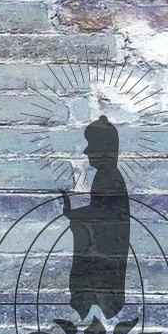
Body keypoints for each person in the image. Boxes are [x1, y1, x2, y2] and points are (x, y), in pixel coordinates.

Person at [60, 115, 131, 319]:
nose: (87, 151)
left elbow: (107, 215)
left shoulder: (110, 177)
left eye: (91, 145)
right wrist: (78, 214)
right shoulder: (105, 176)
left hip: (108, 250)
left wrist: (76, 215)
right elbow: (100, 210)